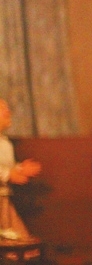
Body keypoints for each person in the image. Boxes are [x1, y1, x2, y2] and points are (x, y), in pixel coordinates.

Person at [0, 99, 41, 241]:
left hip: (4, 200)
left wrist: (20, 169)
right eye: (2, 108)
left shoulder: (5, 143)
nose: (8, 112)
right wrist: (8, 175)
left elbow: (6, 167)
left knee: (18, 238)